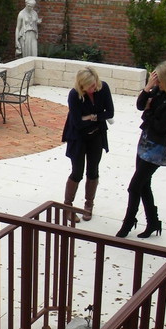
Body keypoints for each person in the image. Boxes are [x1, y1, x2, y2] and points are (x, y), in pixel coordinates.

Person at [116, 60, 166, 239]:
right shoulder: (157, 92)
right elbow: (140, 105)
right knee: (144, 185)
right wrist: (147, 89)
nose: (157, 83)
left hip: (157, 149)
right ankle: (153, 222)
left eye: (159, 80)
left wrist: (147, 113)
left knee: (134, 187)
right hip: (145, 142)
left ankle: (128, 222)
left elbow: (161, 126)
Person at [61, 65, 115, 221]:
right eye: (90, 86)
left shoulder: (103, 88)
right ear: (81, 85)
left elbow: (110, 112)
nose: (94, 88)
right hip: (78, 137)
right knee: (77, 172)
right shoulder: (74, 95)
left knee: (93, 170)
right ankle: (67, 207)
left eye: (95, 84)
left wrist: (91, 117)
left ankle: (88, 205)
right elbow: (77, 124)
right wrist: (98, 117)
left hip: (96, 135)